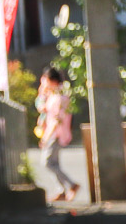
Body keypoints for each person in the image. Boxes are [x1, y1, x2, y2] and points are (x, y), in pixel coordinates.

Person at [37, 66, 80, 203]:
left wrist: (45, 137)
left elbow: (56, 120)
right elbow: (42, 108)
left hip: (55, 134)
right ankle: (61, 190)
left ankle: (71, 184)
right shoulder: (55, 95)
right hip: (55, 133)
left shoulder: (58, 98)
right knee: (54, 163)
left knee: (47, 163)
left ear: (52, 81)